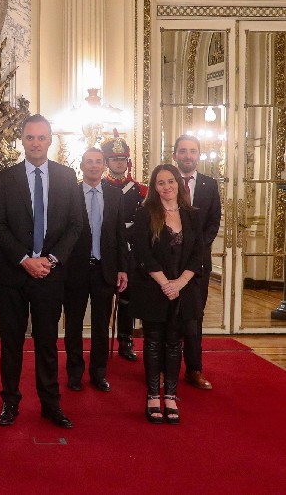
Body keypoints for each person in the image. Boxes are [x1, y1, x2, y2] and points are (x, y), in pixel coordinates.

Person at [0, 114, 83, 429]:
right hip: (11, 275)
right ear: (22, 140)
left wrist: (51, 260)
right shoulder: (6, 177)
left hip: (50, 275)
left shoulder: (67, 176)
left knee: (46, 343)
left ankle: (51, 404)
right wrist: (24, 259)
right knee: (11, 343)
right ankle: (10, 402)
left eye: (41, 137)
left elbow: (76, 224)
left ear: (50, 140)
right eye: (30, 137)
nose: (36, 143)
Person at [130, 164, 203, 425]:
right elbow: (142, 253)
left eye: (170, 181)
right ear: (154, 187)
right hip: (154, 287)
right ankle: (153, 396)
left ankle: (170, 396)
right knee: (153, 342)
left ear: (178, 184)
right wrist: (165, 284)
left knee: (175, 343)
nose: (167, 186)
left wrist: (180, 283)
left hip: (184, 289)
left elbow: (198, 254)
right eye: (160, 182)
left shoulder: (192, 214)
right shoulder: (144, 213)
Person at [63, 148, 128, 393]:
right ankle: (74, 373)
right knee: (73, 324)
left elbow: (120, 234)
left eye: (98, 162)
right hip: (75, 270)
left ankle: (99, 373)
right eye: (89, 161)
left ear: (104, 166)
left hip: (105, 270)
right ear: (82, 165)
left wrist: (122, 268)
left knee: (101, 326)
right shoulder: (70, 194)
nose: (93, 166)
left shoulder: (115, 195)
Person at [173, 134, 221, 391]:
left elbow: (213, 222)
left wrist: (195, 251)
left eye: (192, 151)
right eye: (183, 150)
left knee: (193, 319)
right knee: (167, 319)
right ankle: (163, 370)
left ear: (198, 155)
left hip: (198, 264)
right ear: (175, 155)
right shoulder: (165, 182)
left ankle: (194, 369)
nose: (188, 155)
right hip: (169, 264)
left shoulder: (209, 185)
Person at [101, 131, 148, 361]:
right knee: (103, 297)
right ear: (107, 161)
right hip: (104, 249)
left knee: (127, 298)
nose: (119, 163)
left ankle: (126, 339)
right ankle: (100, 341)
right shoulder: (98, 186)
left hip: (129, 250)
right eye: (114, 159)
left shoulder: (140, 190)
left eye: (122, 159)